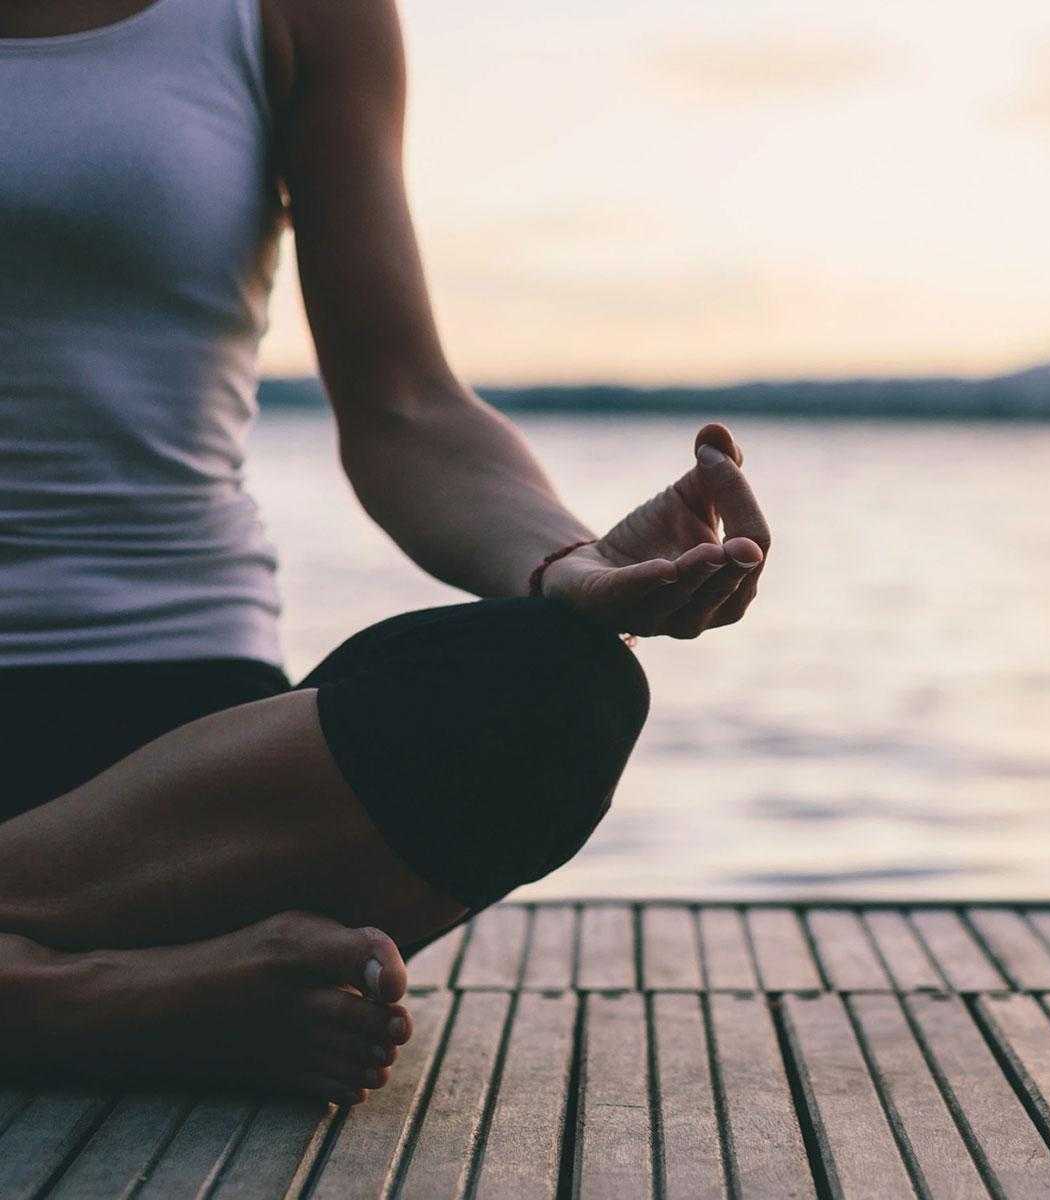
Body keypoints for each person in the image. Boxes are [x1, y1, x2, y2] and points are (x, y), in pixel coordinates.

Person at [0, 0, 769, 1105]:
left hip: (171, 772)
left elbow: (402, 404)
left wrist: (572, 569)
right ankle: (106, 1000)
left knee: (559, 693)